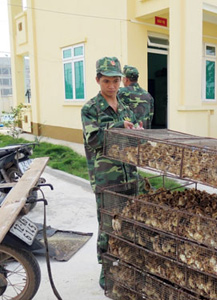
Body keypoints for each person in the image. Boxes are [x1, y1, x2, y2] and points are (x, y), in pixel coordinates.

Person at [81, 56, 142, 289]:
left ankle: (126, 269)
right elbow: (94, 139)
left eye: (116, 81)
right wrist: (118, 127)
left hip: (129, 175)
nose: (112, 86)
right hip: (107, 178)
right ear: (98, 80)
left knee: (128, 225)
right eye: (107, 81)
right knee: (108, 226)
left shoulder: (126, 107)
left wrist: (137, 132)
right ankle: (107, 273)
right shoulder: (90, 108)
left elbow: (133, 139)